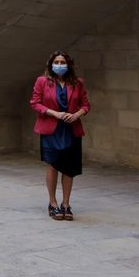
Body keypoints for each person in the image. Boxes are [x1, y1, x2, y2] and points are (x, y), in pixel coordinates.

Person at [30, 50, 90, 221]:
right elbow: (35, 103)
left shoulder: (78, 83)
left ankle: (66, 204)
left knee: (69, 168)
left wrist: (77, 115)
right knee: (53, 165)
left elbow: (85, 105)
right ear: (51, 65)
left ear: (68, 65)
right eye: (56, 62)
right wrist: (53, 113)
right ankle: (53, 203)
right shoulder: (42, 81)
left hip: (71, 130)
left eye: (62, 62)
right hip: (51, 130)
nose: (59, 65)